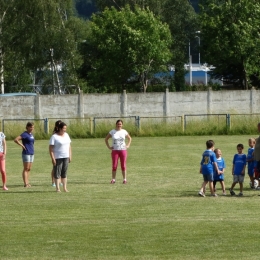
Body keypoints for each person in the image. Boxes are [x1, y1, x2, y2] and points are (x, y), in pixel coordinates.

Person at [105, 119, 132, 184]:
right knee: (114, 165)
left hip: (123, 150)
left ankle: (124, 179)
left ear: (122, 125)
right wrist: (109, 147)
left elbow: (129, 138)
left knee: (123, 165)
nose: (119, 125)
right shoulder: (112, 131)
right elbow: (106, 139)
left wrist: (128, 145)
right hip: (115, 150)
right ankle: (113, 179)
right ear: (116, 124)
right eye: (118, 124)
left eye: (120, 124)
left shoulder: (124, 131)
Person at [49, 121, 71, 192]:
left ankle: (65, 188)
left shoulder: (66, 135)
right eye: (64, 128)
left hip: (66, 156)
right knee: (57, 173)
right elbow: (51, 148)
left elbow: (69, 146)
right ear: (60, 128)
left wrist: (70, 155)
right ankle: (57, 188)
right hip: (58, 157)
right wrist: (53, 158)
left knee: (64, 172)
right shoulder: (54, 137)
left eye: (65, 128)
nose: (65, 130)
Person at [14, 122, 35, 187]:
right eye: (31, 127)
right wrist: (22, 145)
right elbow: (16, 139)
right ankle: (25, 183)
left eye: (33, 127)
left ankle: (28, 182)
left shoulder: (31, 134)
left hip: (31, 152)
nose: (32, 128)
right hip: (26, 153)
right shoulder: (24, 134)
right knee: (26, 168)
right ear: (27, 127)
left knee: (29, 169)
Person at [50, 120, 63, 187]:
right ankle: (53, 181)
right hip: (55, 153)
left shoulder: (62, 133)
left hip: (61, 153)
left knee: (60, 168)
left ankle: (60, 180)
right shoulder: (54, 134)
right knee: (55, 168)